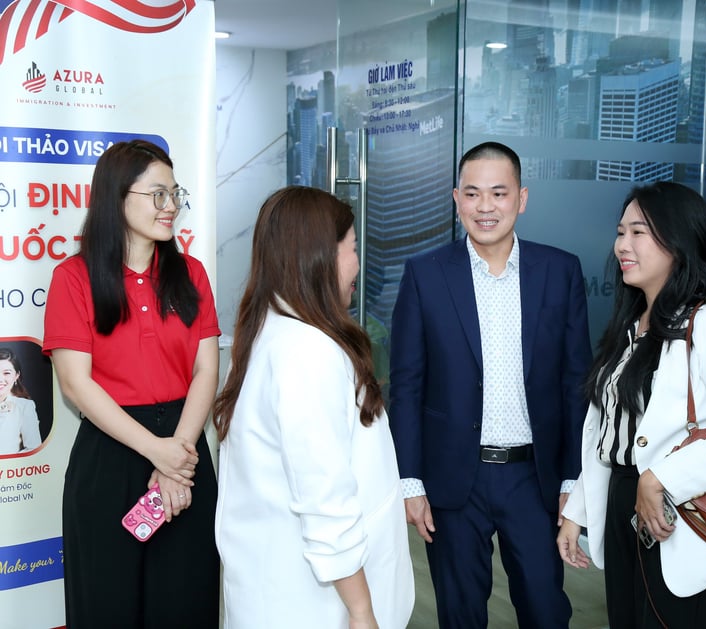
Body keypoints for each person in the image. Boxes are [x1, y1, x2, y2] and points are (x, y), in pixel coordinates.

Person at [389, 141, 592, 628]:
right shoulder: (425, 274)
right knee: (460, 615)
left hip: (534, 478)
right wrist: (410, 482)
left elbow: (575, 384)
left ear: (521, 198)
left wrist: (574, 479)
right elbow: (407, 386)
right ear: (456, 199)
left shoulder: (560, 271)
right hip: (454, 479)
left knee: (546, 610)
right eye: (473, 193)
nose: (485, 207)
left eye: (499, 193)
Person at [557, 181, 706, 628]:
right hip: (623, 508)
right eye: (621, 232)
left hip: (684, 519)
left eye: (639, 232)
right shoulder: (631, 327)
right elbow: (611, 434)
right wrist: (577, 513)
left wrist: (660, 478)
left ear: (680, 242)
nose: (622, 245)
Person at [214, 186, 414, 629]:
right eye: (353, 248)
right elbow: (325, 500)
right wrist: (361, 611)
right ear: (321, 256)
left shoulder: (264, 335)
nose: (358, 264)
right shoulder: (307, 352)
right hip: (318, 604)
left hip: (277, 590)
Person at [42, 140, 220, 628]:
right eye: (158, 194)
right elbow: (76, 385)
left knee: (186, 604)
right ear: (116, 197)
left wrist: (176, 458)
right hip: (111, 455)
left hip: (185, 450)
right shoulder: (73, 278)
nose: (171, 206)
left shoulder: (192, 274)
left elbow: (206, 370)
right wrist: (156, 452)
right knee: (108, 607)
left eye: (174, 194)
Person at [0, 347, 42, 454]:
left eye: (6, 373)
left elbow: (33, 448)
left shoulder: (24, 406)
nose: (0, 379)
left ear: (16, 376)